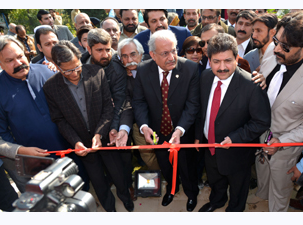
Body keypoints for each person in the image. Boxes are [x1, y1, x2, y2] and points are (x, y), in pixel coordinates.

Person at [43, 40, 134, 212]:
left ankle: (125, 197)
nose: (74, 73)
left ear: (80, 58)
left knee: (118, 173)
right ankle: (109, 207)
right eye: (67, 71)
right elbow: (59, 119)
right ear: (56, 66)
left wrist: (99, 133)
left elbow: (108, 106)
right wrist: (76, 141)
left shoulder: (96, 72)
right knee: (98, 180)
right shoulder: (50, 87)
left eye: (77, 67)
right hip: (82, 144)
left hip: (105, 137)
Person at [0, 35, 87, 194]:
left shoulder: (47, 71)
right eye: (10, 60)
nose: (18, 63)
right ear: (0, 64)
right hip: (37, 162)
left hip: (71, 149)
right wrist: (21, 151)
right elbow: (0, 134)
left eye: (20, 56)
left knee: (80, 189)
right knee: (53, 198)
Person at [195, 33, 271, 212]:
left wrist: (235, 138)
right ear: (209, 59)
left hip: (237, 152)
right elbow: (202, 111)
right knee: (215, 180)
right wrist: (199, 136)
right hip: (210, 147)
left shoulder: (251, 86)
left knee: (238, 188)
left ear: (237, 58)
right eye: (216, 61)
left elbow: (262, 121)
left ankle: (235, 210)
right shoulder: (205, 78)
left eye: (228, 61)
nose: (222, 67)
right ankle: (217, 201)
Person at [132, 30, 200, 211]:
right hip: (157, 132)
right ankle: (172, 189)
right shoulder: (142, 70)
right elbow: (138, 102)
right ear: (153, 55)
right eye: (165, 53)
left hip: (183, 131)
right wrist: (144, 126)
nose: (172, 57)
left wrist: (179, 130)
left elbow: (193, 105)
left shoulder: (190, 69)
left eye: (174, 51)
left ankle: (191, 193)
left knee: (187, 166)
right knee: (165, 165)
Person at [254, 11, 303, 212]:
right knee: (263, 188)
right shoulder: (273, 55)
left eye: (285, 46)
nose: (276, 49)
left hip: (286, 150)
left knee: (279, 198)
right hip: (261, 141)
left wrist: (282, 142)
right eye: (276, 41)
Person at [116, 38, 161, 172]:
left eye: (133, 54)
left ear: (141, 54)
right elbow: (127, 104)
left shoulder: (156, 65)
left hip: (162, 119)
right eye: (124, 56)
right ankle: (161, 176)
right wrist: (124, 129)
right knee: (148, 156)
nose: (129, 59)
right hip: (138, 124)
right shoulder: (121, 76)